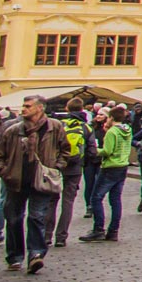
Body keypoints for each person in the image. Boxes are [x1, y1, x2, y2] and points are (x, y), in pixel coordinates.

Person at [0, 94, 68, 273]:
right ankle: (15, 256)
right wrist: (5, 172)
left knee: (36, 217)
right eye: (24, 105)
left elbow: (65, 150)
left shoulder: (54, 127)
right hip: (16, 180)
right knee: (13, 219)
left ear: (40, 108)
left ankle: (36, 254)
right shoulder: (13, 129)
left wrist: (57, 167)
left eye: (28, 106)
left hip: (42, 180)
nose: (24, 109)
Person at [80, 107, 132, 242]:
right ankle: (113, 231)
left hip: (110, 167)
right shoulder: (127, 129)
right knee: (115, 200)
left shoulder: (112, 132)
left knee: (96, 198)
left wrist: (95, 150)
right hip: (123, 166)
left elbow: (108, 151)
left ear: (112, 118)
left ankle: (98, 229)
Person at [53, 101, 92, 248]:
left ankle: (46, 236)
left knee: (51, 201)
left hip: (57, 166)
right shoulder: (86, 127)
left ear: (67, 108)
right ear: (82, 109)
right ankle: (61, 237)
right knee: (68, 202)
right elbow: (92, 151)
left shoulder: (59, 124)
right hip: (75, 167)